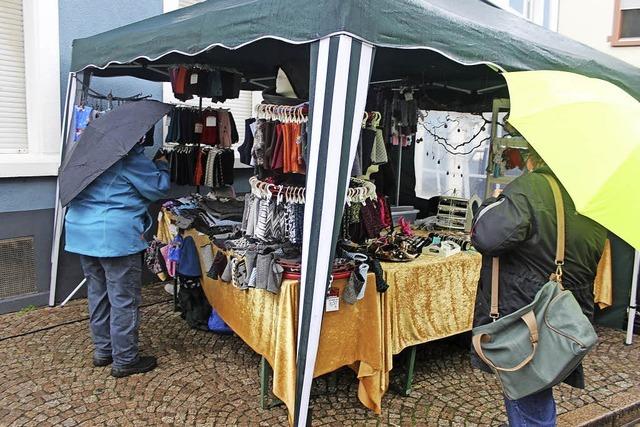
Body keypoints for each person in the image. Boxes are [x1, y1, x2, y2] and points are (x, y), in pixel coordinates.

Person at [470, 144, 606, 426]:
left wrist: (492, 204)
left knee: (529, 396)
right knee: (537, 388)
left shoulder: (531, 188)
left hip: (530, 314)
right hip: (565, 315)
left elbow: (487, 237)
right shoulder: (589, 200)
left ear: (534, 159)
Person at [65, 142, 170, 378]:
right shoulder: (127, 157)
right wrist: (162, 165)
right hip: (115, 236)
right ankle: (125, 359)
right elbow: (157, 188)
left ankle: (103, 351)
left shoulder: (84, 155)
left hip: (82, 233)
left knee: (98, 293)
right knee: (123, 298)